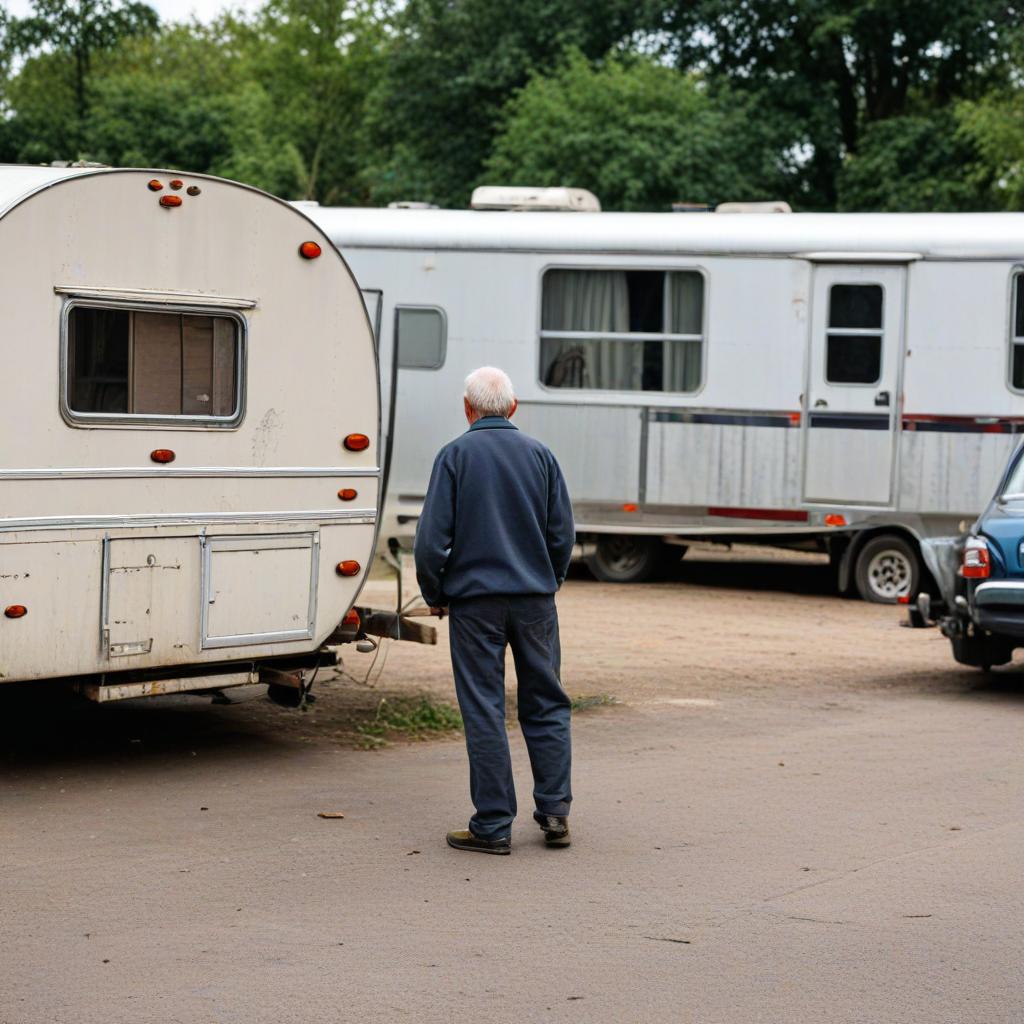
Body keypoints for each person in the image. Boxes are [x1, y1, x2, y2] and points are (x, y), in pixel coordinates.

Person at [414, 366, 575, 855]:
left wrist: (434, 591)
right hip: (534, 602)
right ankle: (554, 812)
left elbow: (430, 541)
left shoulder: (454, 456)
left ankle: (493, 824)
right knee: (546, 703)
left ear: (467, 407)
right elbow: (562, 535)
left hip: (475, 605)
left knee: (484, 708)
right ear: (513, 406)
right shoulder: (541, 456)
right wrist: (550, 581)